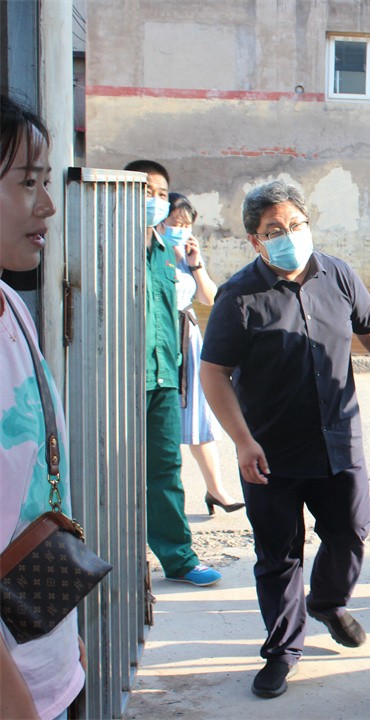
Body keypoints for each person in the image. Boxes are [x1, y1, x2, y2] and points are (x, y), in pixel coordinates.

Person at [200, 179, 370, 700]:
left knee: (352, 529)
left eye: (296, 224)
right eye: (275, 230)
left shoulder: (337, 274)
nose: (289, 235)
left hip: (339, 437)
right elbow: (213, 373)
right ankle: (282, 651)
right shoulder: (238, 296)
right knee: (279, 554)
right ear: (255, 240)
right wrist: (242, 441)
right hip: (270, 451)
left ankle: (328, 602)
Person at [0, 93, 85, 720]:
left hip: (46, 665)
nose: (48, 204)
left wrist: (61, 638)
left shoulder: (13, 308)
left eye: (46, 181)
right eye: (28, 183)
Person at [124, 159, 222, 588]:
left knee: (166, 469)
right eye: (147, 191)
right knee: (110, 469)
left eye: (162, 194)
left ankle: (178, 558)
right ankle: (112, 553)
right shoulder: (112, 243)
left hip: (164, 376)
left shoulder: (167, 252)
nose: (156, 200)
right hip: (119, 379)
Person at [158, 192, 243, 515]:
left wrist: (195, 264)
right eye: (174, 222)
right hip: (160, 337)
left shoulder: (188, 255)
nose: (180, 229)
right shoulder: (151, 252)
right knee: (159, 419)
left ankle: (216, 490)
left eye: (186, 225)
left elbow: (210, 298)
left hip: (188, 337)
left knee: (197, 415)